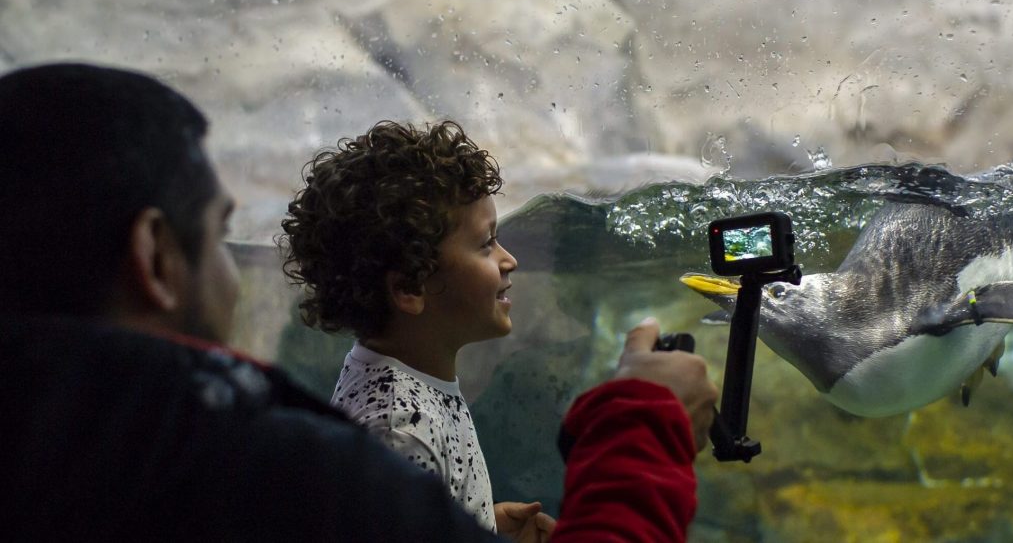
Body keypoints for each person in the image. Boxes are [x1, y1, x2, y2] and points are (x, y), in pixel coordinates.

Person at [0, 62, 718, 542]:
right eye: (222, 234)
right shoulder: (360, 443)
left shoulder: (77, 466)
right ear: (155, 258)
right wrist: (640, 420)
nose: (509, 261)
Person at [278, 120, 550, 537]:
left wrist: (483, 526)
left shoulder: (403, 387)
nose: (508, 258)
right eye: (485, 244)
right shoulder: (399, 431)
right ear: (408, 286)